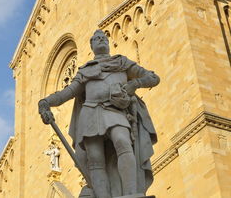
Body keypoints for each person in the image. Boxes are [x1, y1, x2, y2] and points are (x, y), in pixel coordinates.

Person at [38, 29, 159, 198]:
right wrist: (46, 102)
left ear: (108, 44)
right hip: (90, 114)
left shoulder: (122, 63)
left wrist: (135, 84)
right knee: (95, 159)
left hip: (115, 111)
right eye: (97, 39)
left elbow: (153, 78)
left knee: (123, 142)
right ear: (92, 45)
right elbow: (69, 92)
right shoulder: (85, 71)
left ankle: (132, 194)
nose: (101, 40)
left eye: (104, 38)